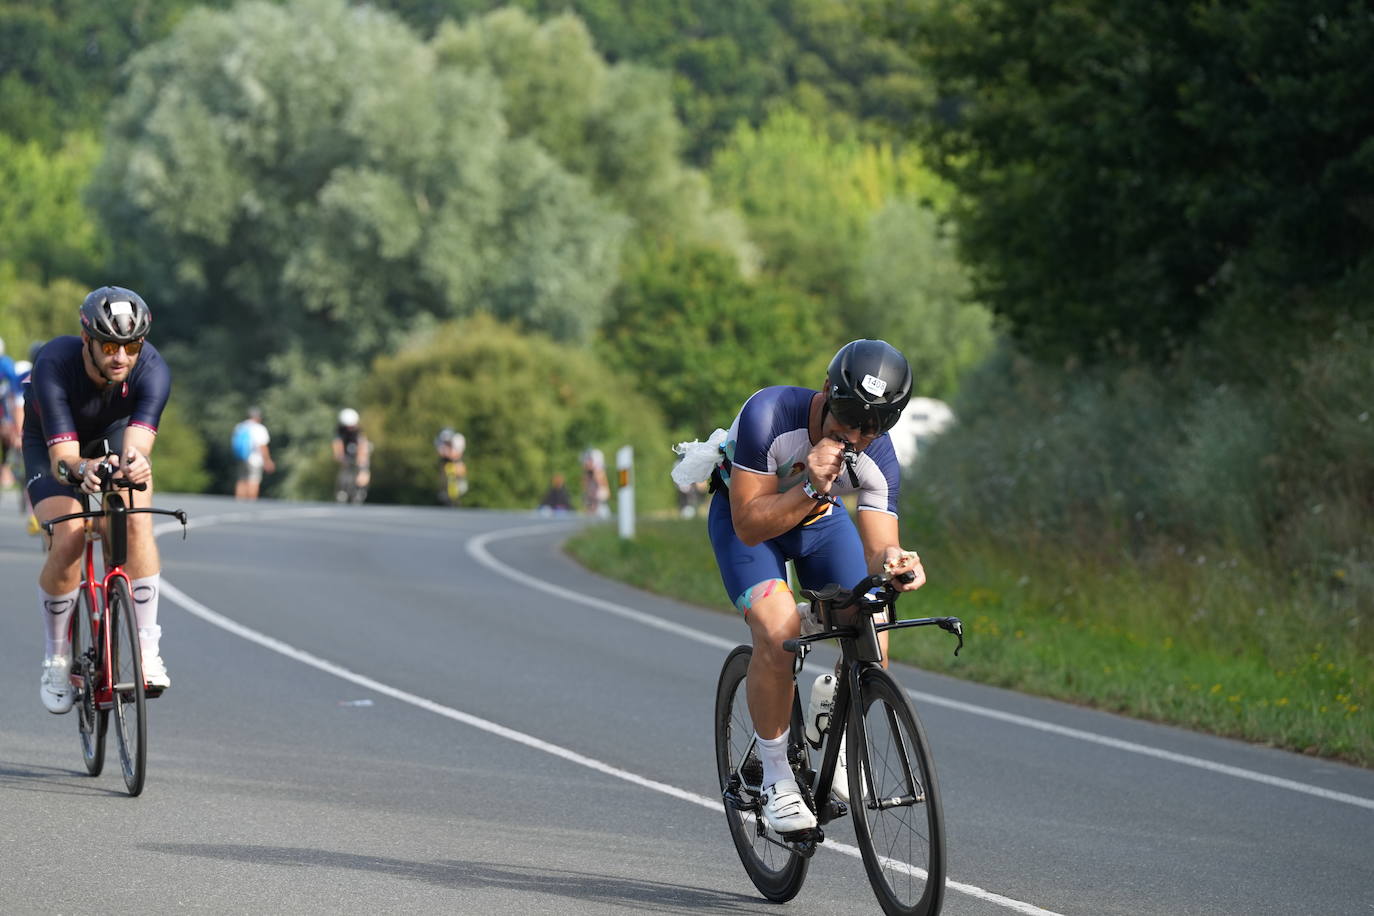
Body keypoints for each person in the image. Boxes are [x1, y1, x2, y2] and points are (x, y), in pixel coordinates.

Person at [703, 339, 927, 834]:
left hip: (819, 524)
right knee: (778, 628)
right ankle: (776, 779)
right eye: (847, 415)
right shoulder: (769, 414)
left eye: (876, 424)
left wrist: (896, 562)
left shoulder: (878, 456)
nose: (857, 433)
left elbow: (879, 547)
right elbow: (749, 524)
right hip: (750, 521)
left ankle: (843, 736)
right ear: (827, 391)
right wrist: (810, 485)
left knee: (873, 620)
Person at [23, 286, 172, 712]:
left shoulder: (154, 370)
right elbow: (64, 462)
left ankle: (146, 651)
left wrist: (136, 465)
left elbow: (136, 447)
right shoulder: (55, 361)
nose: (120, 357)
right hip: (52, 442)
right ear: (86, 339)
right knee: (69, 537)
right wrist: (83, 470)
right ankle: (56, 658)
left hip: (111, 433)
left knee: (134, 516)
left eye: (130, 346)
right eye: (109, 345)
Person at [231, 406, 275, 501]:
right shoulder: (259, 428)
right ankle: (250, 504)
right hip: (255, 459)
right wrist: (267, 461)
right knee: (253, 480)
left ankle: (239, 502)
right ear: (258, 417)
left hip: (241, 457)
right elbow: (262, 446)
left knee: (242, 479)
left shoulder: (240, 426)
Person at [332, 408, 371, 504]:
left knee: (363, 469)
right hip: (347, 453)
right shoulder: (340, 431)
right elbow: (337, 445)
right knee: (345, 469)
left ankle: (360, 490)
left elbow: (362, 446)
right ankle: (342, 490)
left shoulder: (359, 432)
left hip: (358, 450)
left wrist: (361, 460)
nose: (349, 428)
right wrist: (340, 456)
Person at [0, 335, 21, 493]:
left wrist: (10, 420)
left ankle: (7, 469)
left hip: (5, 409)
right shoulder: (7, 364)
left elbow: (13, 396)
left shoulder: (6, 365)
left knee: (9, 438)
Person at [434, 427, 467, 506]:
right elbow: (441, 453)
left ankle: (461, 483)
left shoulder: (459, 439)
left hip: (456, 458)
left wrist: (449, 453)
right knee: (443, 470)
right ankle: (443, 489)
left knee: (459, 467)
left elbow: (457, 455)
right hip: (446, 459)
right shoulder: (438, 441)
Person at [580, 447, 610, 518]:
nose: (586, 463)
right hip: (591, 506)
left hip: (599, 507)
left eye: (589, 460)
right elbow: (585, 488)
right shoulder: (587, 475)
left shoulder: (599, 474)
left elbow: (604, 493)